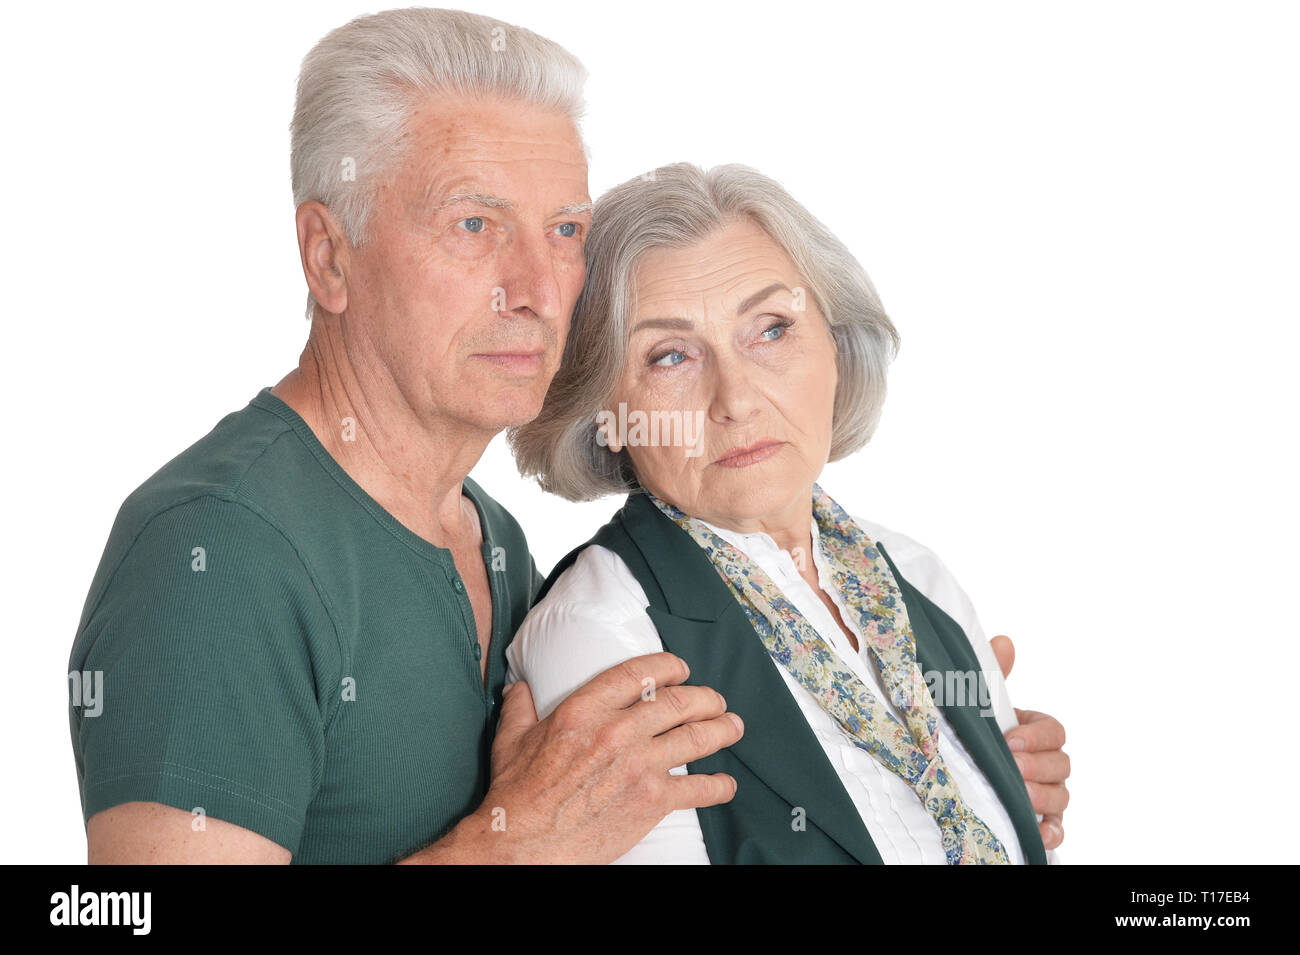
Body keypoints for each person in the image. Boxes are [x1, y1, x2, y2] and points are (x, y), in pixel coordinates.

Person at [66, 8, 744, 865]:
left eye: (566, 230)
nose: (537, 289)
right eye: (474, 225)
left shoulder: (493, 536)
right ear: (329, 257)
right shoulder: (218, 550)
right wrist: (518, 847)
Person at [506, 162, 1071, 863]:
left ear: (836, 347)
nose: (736, 399)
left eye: (771, 329)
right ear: (606, 414)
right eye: (671, 355)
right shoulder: (601, 633)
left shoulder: (920, 579)